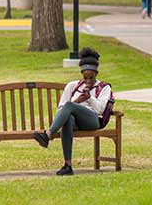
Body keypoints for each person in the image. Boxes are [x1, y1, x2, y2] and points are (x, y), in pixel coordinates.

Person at [33, 48, 114, 176]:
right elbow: (61, 109)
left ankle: (48, 135)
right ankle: (67, 165)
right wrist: (77, 101)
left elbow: (100, 110)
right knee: (68, 119)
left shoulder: (104, 87)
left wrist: (89, 98)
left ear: (96, 74)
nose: (88, 81)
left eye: (91, 78)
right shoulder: (72, 86)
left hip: (93, 120)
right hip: (75, 121)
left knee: (69, 105)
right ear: (81, 73)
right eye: (85, 77)